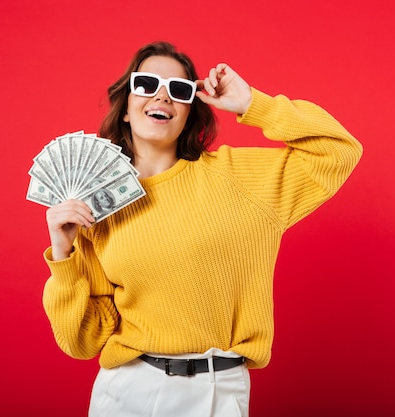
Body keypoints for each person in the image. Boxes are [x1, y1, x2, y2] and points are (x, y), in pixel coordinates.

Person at [41, 41, 363, 417]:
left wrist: (252, 104)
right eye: (146, 84)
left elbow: (339, 150)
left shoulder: (238, 179)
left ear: (190, 111)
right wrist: (63, 255)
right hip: (132, 391)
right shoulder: (99, 207)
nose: (162, 96)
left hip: (220, 391)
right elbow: (82, 340)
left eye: (179, 90)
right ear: (126, 107)